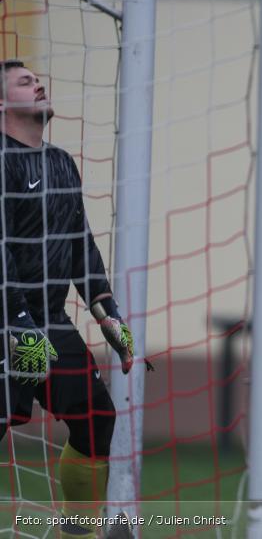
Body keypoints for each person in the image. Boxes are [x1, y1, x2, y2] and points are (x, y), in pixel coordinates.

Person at [0, 60, 135, 538]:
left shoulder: (60, 162)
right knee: (6, 417)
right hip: (5, 322)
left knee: (97, 419)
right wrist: (19, 328)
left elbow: (80, 242)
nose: (38, 83)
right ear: (1, 103)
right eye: (23, 81)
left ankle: (77, 534)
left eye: (38, 78)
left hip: (46, 322)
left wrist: (108, 315)